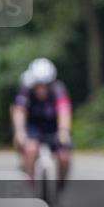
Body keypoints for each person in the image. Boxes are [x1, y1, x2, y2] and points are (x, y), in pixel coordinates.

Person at [12, 58, 73, 188]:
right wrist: (19, 131)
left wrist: (64, 131)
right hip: (34, 127)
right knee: (30, 148)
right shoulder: (26, 90)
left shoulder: (58, 89)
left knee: (64, 157)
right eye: (39, 85)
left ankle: (61, 183)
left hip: (54, 126)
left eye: (46, 85)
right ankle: (29, 174)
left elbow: (64, 110)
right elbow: (19, 111)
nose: (42, 89)